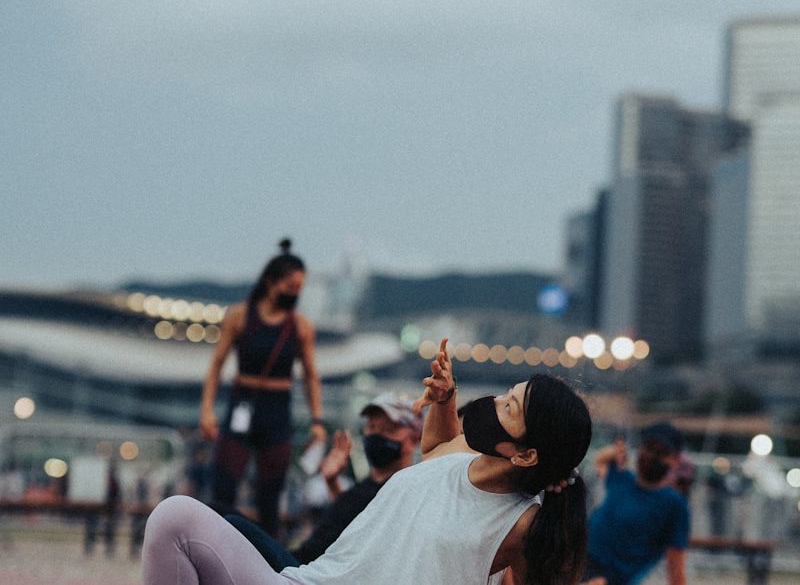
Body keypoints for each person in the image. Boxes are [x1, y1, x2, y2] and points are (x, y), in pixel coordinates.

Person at [142, 338, 593, 585]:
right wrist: (445, 397)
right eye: (506, 393)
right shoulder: (460, 455)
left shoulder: (523, 522)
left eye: (508, 408)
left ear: (527, 453)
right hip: (312, 581)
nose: (494, 402)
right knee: (175, 518)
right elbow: (434, 448)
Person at [199, 238, 325, 538]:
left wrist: (317, 421)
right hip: (242, 402)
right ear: (271, 281)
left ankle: (267, 570)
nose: (295, 294)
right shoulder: (240, 316)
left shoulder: (301, 327)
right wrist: (207, 411)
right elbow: (216, 365)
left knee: (270, 498)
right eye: (290, 287)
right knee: (223, 490)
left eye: (299, 289)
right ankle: (217, 551)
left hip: (278, 409)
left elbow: (310, 376)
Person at [224, 392, 424, 570]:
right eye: (371, 426)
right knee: (220, 512)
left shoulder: (402, 489)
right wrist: (331, 482)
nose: (375, 435)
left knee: (229, 522)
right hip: (300, 560)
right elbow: (352, 520)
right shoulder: (367, 485)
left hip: (308, 571)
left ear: (414, 438)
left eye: (388, 429)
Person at [582, 422, 690, 585]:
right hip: (578, 559)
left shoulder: (674, 505)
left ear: (674, 459)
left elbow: (675, 565)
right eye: (648, 447)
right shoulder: (622, 478)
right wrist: (615, 452)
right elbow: (601, 460)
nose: (651, 456)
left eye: (660, 452)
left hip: (610, 579)